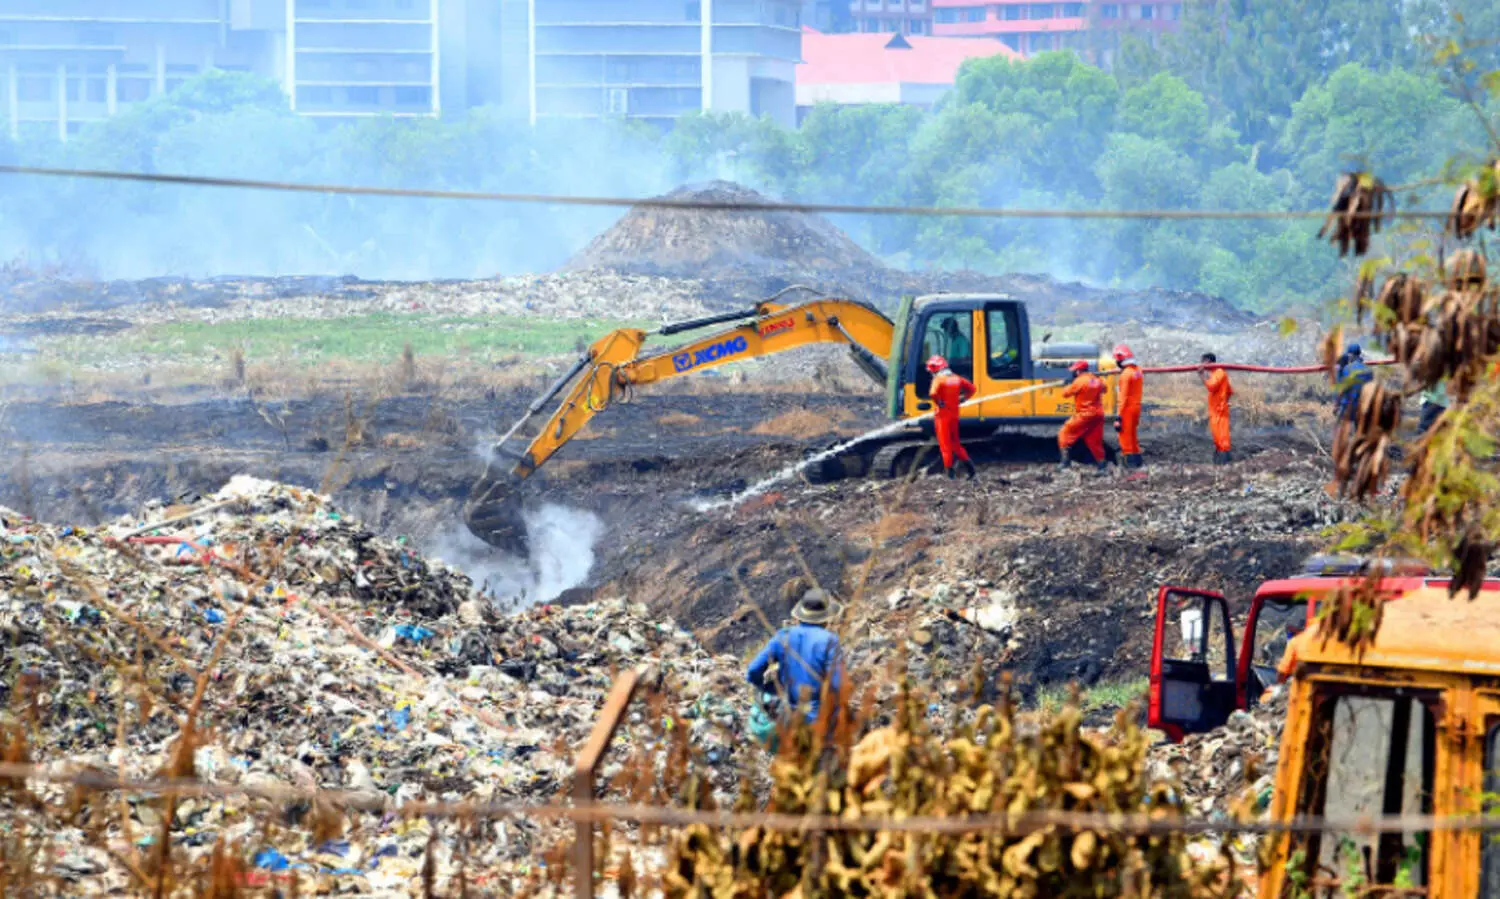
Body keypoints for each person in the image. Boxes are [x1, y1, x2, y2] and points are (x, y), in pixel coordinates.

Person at [746, 589, 845, 730]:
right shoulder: (829, 641)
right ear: (826, 618)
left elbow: (753, 670)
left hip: (790, 720)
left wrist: (768, 688)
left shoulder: (782, 636)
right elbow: (837, 685)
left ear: (800, 616)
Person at [927, 355, 977, 479]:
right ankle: (972, 472)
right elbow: (972, 389)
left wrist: (939, 402)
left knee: (945, 446)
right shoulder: (957, 378)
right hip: (954, 415)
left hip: (942, 416)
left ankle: (950, 476)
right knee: (956, 444)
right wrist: (963, 399)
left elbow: (932, 393)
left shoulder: (938, 380)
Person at [1058, 360, 1108, 472]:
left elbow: (1065, 394)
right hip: (1098, 415)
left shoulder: (1079, 381)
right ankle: (1102, 467)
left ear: (1078, 371)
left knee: (1064, 433)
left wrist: (1068, 384)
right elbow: (1105, 389)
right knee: (1094, 440)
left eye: (1075, 371)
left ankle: (1065, 463)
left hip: (1085, 414)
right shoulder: (1097, 379)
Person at [1113, 343, 1144, 469]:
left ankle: (1130, 464)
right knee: (1133, 435)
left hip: (1127, 408)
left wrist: (1118, 416)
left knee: (1125, 436)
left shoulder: (1126, 374)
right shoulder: (1138, 371)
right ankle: (1138, 461)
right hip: (1136, 407)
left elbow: (1123, 397)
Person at [1199, 353, 1234, 464]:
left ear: (1209, 361)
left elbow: (1211, 386)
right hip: (1217, 410)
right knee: (1218, 438)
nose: (1202, 364)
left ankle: (1225, 464)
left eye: (1203, 362)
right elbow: (1229, 391)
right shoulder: (1217, 373)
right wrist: (1225, 401)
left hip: (1219, 411)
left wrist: (1202, 374)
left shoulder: (1219, 372)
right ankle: (1221, 463)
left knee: (1222, 439)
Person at [1334, 343, 1373, 424]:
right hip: (1364, 407)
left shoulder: (1347, 369)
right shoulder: (1369, 370)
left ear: (1351, 355)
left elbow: (1341, 390)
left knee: (1339, 427)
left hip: (1349, 408)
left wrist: (1336, 406)